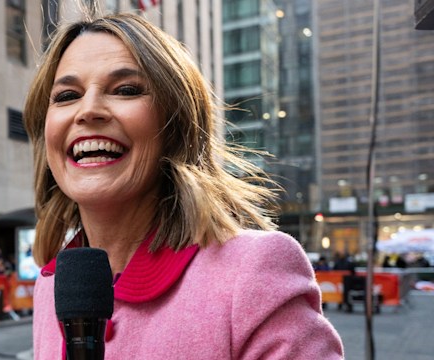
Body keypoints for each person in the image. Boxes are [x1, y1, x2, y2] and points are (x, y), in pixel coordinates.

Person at [23, 13, 344, 359]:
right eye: (67, 95)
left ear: (175, 125)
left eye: (126, 90)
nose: (88, 111)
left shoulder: (252, 272)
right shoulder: (50, 286)